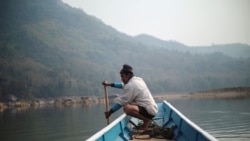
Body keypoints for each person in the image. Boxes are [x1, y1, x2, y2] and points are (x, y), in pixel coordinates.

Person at [102, 64, 158, 129]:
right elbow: (122, 85)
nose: (121, 79)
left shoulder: (131, 85)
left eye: (122, 76)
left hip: (149, 110)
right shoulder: (138, 79)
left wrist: (110, 112)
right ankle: (146, 120)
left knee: (127, 108)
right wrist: (109, 84)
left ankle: (146, 120)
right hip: (151, 108)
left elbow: (121, 102)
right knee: (128, 105)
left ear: (128, 75)